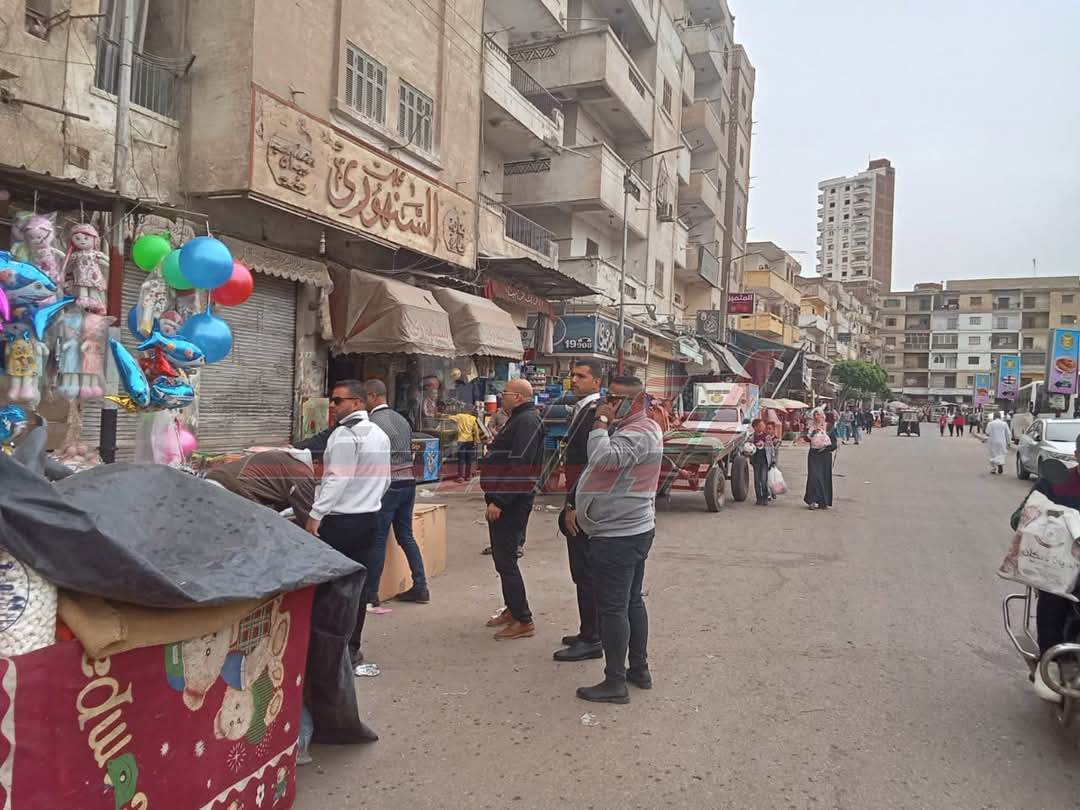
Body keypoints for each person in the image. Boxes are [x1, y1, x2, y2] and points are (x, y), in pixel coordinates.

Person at [573, 376, 663, 704]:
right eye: (606, 398)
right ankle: (638, 669)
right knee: (631, 601)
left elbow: (602, 459)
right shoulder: (635, 428)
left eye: (614, 399)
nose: (607, 404)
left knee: (613, 608)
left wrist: (600, 421)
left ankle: (615, 682)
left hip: (618, 535)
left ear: (636, 401)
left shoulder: (639, 432)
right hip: (628, 529)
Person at [306, 380, 391, 669]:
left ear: (357, 403)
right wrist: (369, 500)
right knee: (358, 589)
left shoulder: (345, 434)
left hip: (341, 522)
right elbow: (385, 480)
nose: (332, 405)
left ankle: (329, 654)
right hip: (368, 519)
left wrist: (316, 514)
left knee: (331, 590)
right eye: (332, 400)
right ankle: (351, 651)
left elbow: (336, 479)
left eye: (338, 400)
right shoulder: (378, 434)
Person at [1010, 437, 1080, 702]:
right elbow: (1018, 518)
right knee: (1054, 595)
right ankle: (1048, 661)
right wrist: (1044, 520)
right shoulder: (1055, 482)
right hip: (1060, 568)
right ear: (1077, 454)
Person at [479, 378, 544, 641]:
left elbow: (520, 467)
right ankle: (512, 609)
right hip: (504, 497)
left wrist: (500, 500)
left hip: (511, 502)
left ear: (518, 397)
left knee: (506, 560)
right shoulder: (518, 419)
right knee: (501, 558)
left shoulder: (527, 421)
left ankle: (523, 619)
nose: (501, 396)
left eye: (504, 393)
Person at [363, 379, 430, 605]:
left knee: (378, 538)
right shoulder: (402, 420)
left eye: (364, 398)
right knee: (406, 536)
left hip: (388, 485)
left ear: (373, 396)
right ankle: (421, 586)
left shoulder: (372, 423)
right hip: (408, 483)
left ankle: (371, 594)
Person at [554, 359, 604, 663]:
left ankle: (592, 637)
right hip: (578, 493)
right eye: (573, 375)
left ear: (597, 381)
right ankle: (589, 629)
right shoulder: (582, 409)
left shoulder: (595, 412)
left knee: (585, 572)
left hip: (584, 502)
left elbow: (590, 464)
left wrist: (573, 503)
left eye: (581, 376)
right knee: (581, 572)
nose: (574, 380)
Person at [804, 409, 837, 511]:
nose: (816, 416)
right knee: (814, 476)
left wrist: (825, 448)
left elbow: (834, 444)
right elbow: (807, 438)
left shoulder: (829, 427)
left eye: (818, 414)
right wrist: (810, 435)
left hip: (825, 456)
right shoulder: (811, 427)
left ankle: (823, 501)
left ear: (823, 416)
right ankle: (812, 500)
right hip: (814, 455)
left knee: (824, 477)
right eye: (815, 415)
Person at [448, 406, 483, 483]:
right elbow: (476, 430)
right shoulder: (473, 418)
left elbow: (450, 418)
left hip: (461, 440)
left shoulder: (460, 416)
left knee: (461, 459)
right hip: (470, 440)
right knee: (469, 459)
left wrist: (446, 415)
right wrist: (477, 440)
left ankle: (460, 477)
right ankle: (468, 476)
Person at [749, 418, 775, 506]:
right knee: (757, 480)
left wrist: (773, 460)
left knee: (764, 480)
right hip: (756, 461)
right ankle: (758, 498)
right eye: (761, 425)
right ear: (755, 427)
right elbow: (747, 447)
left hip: (765, 461)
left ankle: (765, 497)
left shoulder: (767, 437)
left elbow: (771, 449)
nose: (763, 427)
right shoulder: (752, 437)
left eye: (763, 425)